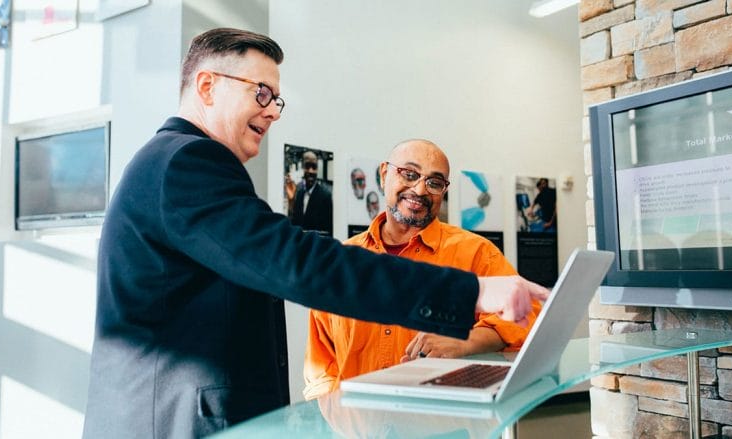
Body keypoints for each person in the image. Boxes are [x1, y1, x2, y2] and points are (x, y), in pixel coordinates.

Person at [83, 28, 549, 438]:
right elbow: (296, 262)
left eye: (276, 99)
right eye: (261, 93)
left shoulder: (173, 164)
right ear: (207, 86)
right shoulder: (187, 163)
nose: (273, 112)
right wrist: (472, 292)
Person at [303, 140, 542, 399]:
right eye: (409, 174)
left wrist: (465, 341)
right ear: (384, 175)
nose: (419, 189)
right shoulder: (342, 262)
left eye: (434, 182)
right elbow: (321, 367)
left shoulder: (476, 252)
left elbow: (528, 317)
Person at [285, 150, 333, 235]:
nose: (310, 171)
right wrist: (291, 202)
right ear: (303, 168)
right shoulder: (299, 193)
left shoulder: (325, 196)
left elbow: (328, 231)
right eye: (307, 166)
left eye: (314, 167)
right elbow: (294, 224)